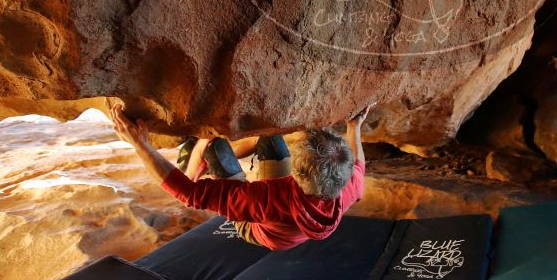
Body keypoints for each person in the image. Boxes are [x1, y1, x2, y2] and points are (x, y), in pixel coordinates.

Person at [108, 103, 373, 250]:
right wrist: (354, 125)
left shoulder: (264, 200)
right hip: (292, 222)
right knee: (271, 140)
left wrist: (141, 145)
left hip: (259, 231)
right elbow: (359, 164)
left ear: (296, 172)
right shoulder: (347, 186)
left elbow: (188, 195)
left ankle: (194, 157)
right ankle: (203, 149)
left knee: (212, 148)